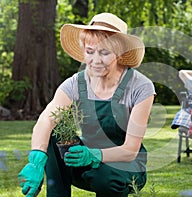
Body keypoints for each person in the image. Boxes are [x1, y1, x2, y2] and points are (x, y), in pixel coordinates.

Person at [18, 13, 156, 196]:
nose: (95, 61)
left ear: (119, 53)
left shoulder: (140, 86)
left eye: (104, 52)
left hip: (125, 168)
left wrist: (95, 155)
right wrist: (36, 158)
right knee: (54, 130)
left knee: (105, 177)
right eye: (90, 51)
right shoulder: (76, 83)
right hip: (82, 162)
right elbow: (45, 121)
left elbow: (130, 150)